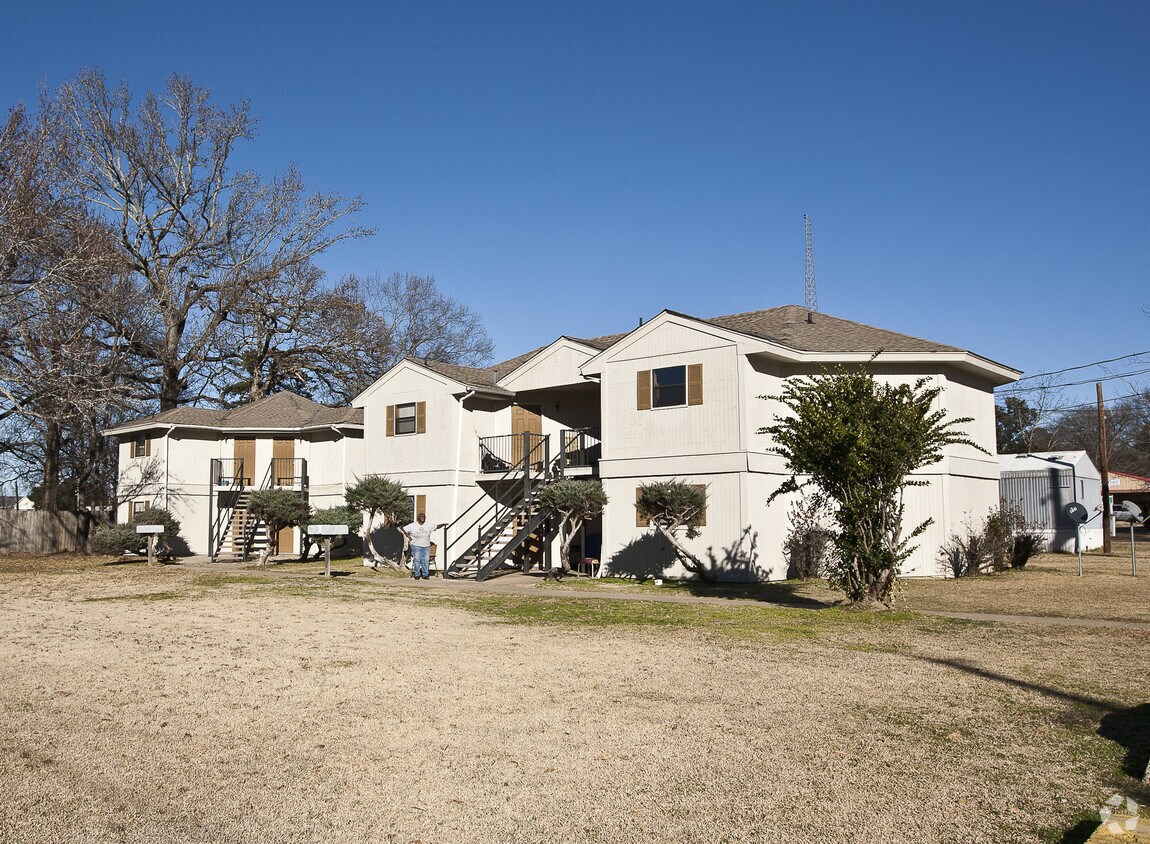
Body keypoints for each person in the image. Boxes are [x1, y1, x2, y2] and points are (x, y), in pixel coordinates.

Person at [402, 512, 446, 580]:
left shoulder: (428, 525)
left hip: (426, 546)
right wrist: (408, 537)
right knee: (417, 560)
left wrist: (443, 524)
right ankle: (417, 575)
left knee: (425, 561)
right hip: (416, 545)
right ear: (418, 518)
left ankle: (425, 575)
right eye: (421, 517)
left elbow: (436, 526)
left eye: (424, 517)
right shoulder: (412, 525)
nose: (423, 518)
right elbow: (404, 529)